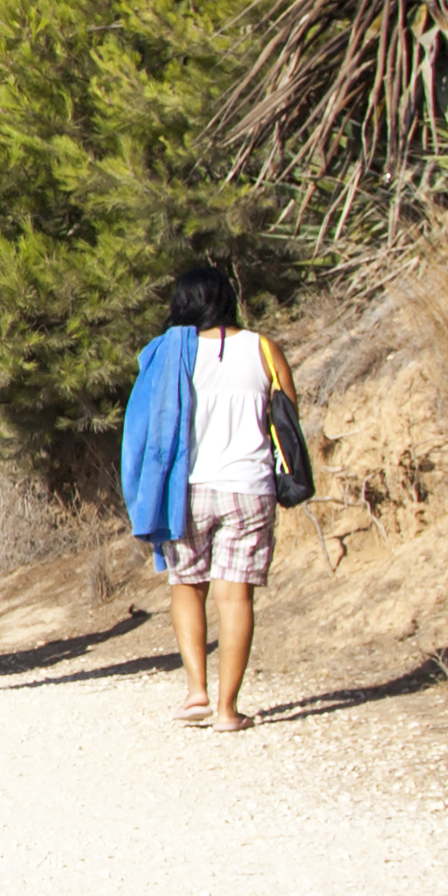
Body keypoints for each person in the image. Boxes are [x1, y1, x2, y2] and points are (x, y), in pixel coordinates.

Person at [120, 263, 299, 731]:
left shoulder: (168, 354)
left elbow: (143, 423)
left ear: (181, 305)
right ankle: (227, 710)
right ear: (227, 299)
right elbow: (287, 417)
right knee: (235, 597)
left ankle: (196, 690)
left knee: (187, 587)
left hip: (188, 488)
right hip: (249, 487)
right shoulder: (263, 348)